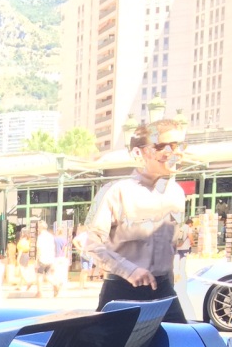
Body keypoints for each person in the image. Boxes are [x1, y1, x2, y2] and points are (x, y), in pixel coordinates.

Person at [83, 118, 188, 321]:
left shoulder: (177, 193)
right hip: (123, 291)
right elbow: (89, 242)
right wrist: (129, 270)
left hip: (164, 291)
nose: (173, 152)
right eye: (162, 146)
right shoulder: (115, 191)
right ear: (139, 152)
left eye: (178, 145)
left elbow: (171, 245)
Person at [32, 220, 57, 297]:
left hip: (42, 259)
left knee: (39, 275)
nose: (37, 229)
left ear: (40, 228)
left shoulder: (40, 237)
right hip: (50, 258)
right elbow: (53, 248)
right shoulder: (51, 236)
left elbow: (39, 250)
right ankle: (55, 284)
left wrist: (36, 260)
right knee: (47, 275)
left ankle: (39, 293)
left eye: (38, 228)